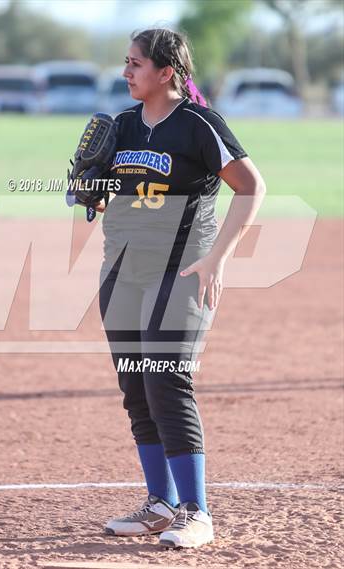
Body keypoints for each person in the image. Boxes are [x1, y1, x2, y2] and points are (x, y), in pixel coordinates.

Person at [93, 28, 266, 549]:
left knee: (166, 379)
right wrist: (88, 190)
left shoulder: (197, 124)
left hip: (183, 268)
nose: (126, 72)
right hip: (123, 269)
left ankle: (197, 512)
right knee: (137, 386)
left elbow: (251, 186)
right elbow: (110, 199)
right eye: (125, 62)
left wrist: (217, 258)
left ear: (166, 72)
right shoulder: (121, 126)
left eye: (136, 63)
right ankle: (160, 505)